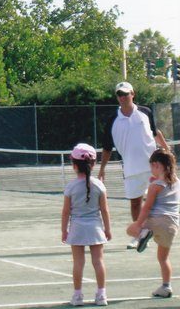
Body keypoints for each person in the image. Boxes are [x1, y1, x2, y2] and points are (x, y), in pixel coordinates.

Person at [98, 81, 169, 249]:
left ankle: (158, 230)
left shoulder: (145, 112)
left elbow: (155, 132)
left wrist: (166, 149)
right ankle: (140, 234)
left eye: (126, 93)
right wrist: (102, 169)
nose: (123, 97)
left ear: (133, 94)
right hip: (131, 168)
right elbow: (107, 148)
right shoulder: (112, 120)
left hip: (154, 166)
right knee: (135, 203)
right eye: (119, 94)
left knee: (160, 200)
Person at [62, 143, 111, 306]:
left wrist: (64, 230)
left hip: (77, 229)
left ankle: (77, 296)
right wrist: (108, 229)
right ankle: (101, 295)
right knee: (98, 262)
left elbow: (66, 212)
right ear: (94, 164)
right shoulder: (100, 185)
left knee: (78, 263)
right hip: (95, 228)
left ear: (74, 165)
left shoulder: (70, 187)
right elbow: (105, 210)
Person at [127, 148, 179, 298]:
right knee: (163, 258)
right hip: (172, 225)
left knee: (130, 230)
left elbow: (147, 207)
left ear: (156, 165)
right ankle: (166, 286)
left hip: (155, 220)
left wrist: (138, 224)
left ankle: (143, 233)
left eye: (151, 166)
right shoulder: (177, 182)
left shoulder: (155, 186)